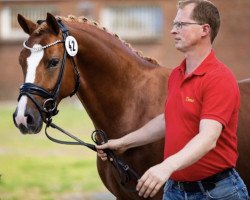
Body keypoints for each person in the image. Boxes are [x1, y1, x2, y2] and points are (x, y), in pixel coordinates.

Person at [96, 0, 250, 199]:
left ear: (204, 30)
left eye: (181, 25)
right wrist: (124, 142)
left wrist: (165, 166)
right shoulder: (178, 74)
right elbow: (168, 119)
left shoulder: (219, 78)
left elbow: (209, 138)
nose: (172, 31)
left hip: (217, 192)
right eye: (174, 24)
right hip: (176, 190)